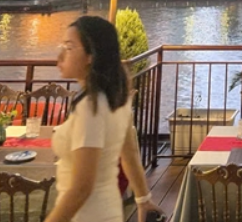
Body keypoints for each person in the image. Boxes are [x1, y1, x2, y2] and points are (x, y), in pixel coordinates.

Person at [45, 16, 165, 222]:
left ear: (91, 55)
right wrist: (143, 199)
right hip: (107, 211)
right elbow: (129, 153)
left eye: (69, 47)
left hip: (85, 215)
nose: (60, 55)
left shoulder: (91, 108)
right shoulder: (116, 98)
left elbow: (82, 188)